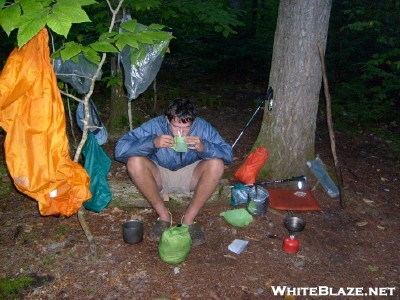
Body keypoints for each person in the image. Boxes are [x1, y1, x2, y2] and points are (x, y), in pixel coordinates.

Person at [114, 98, 233, 246]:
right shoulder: (155, 125)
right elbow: (120, 150)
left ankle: (189, 220)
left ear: (193, 122)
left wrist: (204, 147)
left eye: (186, 127)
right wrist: (152, 142)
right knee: (134, 162)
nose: (180, 133)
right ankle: (163, 216)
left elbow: (228, 155)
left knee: (217, 164)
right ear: (167, 120)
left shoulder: (202, 127)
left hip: (191, 174)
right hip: (159, 173)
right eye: (175, 127)